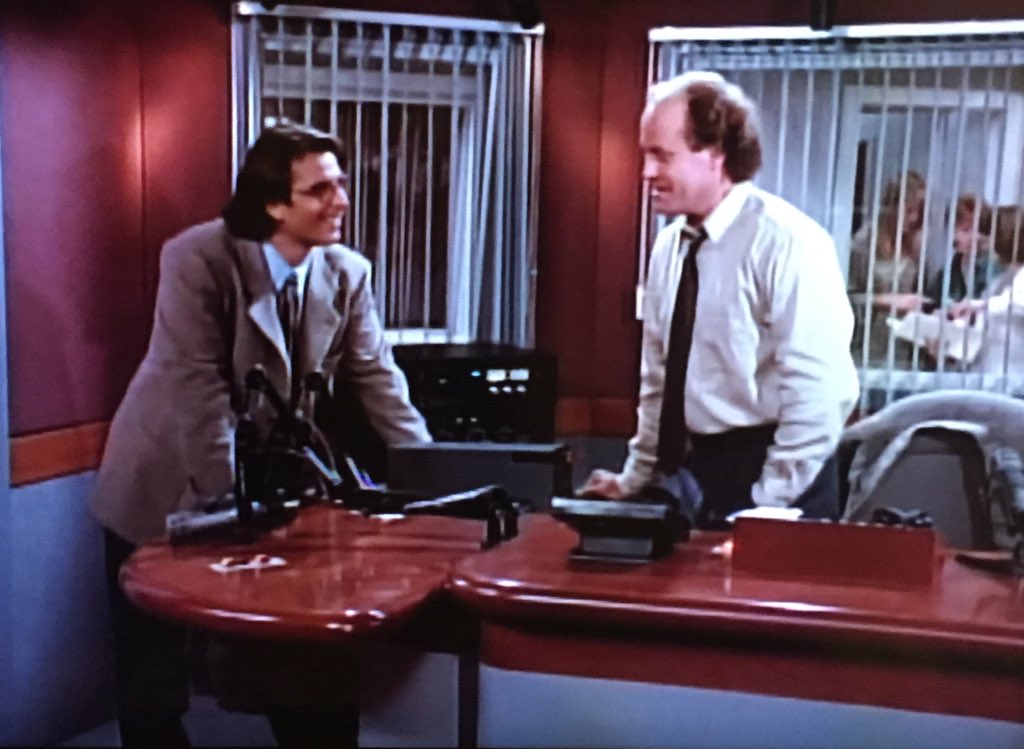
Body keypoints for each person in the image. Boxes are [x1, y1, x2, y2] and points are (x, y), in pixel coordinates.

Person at [89, 122, 431, 746]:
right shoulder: (198, 258)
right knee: (151, 678)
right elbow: (198, 391)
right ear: (273, 202)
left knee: (293, 664)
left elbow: (380, 381)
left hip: (261, 482)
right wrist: (232, 507)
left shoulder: (348, 272)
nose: (341, 201)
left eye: (341, 184)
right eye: (319, 190)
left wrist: (436, 476)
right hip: (162, 477)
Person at [581, 71, 859, 528]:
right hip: (697, 472)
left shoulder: (787, 241)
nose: (646, 172)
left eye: (661, 155)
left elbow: (821, 391)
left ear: (714, 155)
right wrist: (635, 479)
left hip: (776, 475)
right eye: (645, 154)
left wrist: (768, 502)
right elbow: (658, 381)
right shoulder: (669, 248)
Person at [847, 170, 929, 367]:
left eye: (919, 211)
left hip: (903, 348)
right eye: (909, 210)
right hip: (867, 346)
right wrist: (886, 301)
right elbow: (846, 296)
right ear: (892, 207)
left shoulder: (914, 243)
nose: (914, 218)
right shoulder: (864, 242)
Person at [946, 205, 1024, 376]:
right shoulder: (1000, 282)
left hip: (1014, 380)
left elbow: (1018, 304)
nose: (982, 240)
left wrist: (980, 306)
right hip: (985, 376)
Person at [925, 194, 999, 305]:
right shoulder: (945, 276)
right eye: (966, 230)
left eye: (981, 229)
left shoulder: (999, 270)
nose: (977, 236)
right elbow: (930, 305)